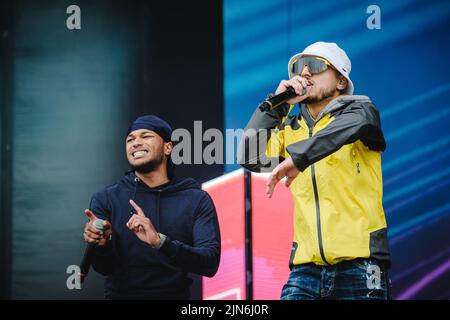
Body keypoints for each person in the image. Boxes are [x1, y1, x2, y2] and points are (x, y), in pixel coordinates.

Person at [238, 41, 391, 300]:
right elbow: (249, 156)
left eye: (317, 65)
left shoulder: (362, 112)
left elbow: (354, 124)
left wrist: (298, 158)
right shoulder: (290, 131)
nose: (305, 72)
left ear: (341, 81)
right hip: (304, 270)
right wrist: (278, 106)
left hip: (362, 266)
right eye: (299, 67)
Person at [83, 115, 221, 299]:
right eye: (130, 139)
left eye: (145, 136)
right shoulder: (106, 198)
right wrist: (102, 245)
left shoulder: (196, 199)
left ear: (168, 147)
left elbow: (209, 264)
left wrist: (159, 242)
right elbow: (103, 268)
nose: (136, 143)